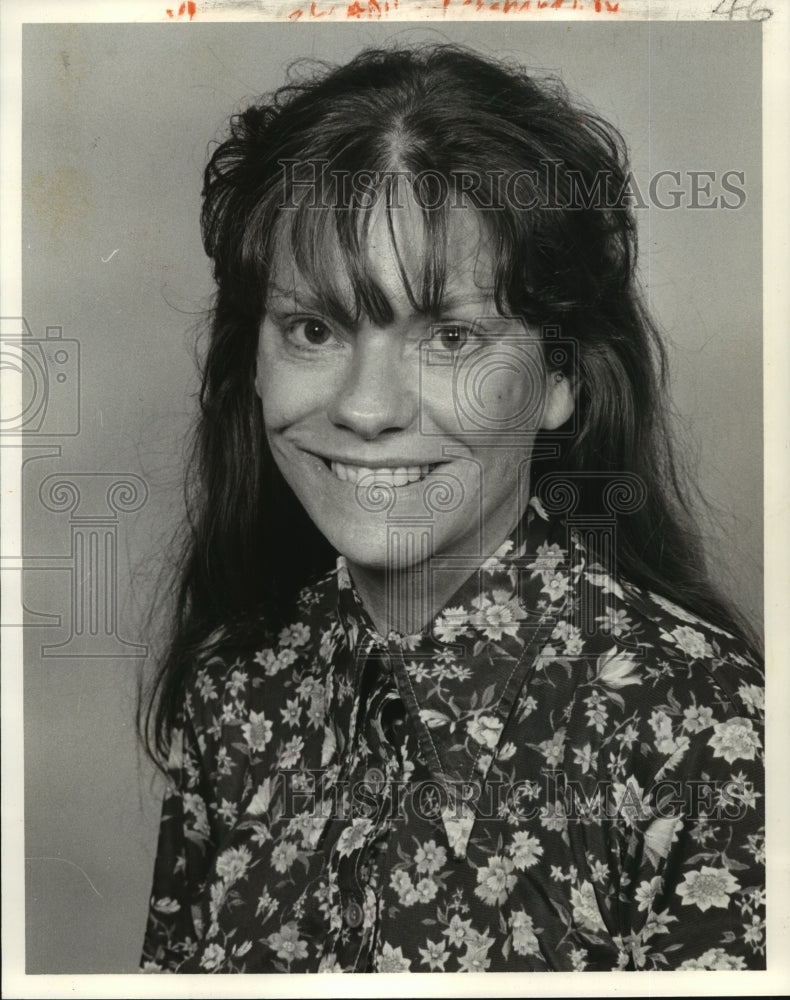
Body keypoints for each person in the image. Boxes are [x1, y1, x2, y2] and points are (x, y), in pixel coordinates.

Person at [139, 44, 765, 973]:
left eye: (451, 337)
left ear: (561, 379)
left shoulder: (704, 734)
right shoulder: (235, 689)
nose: (366, 407)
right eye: (313, 329)